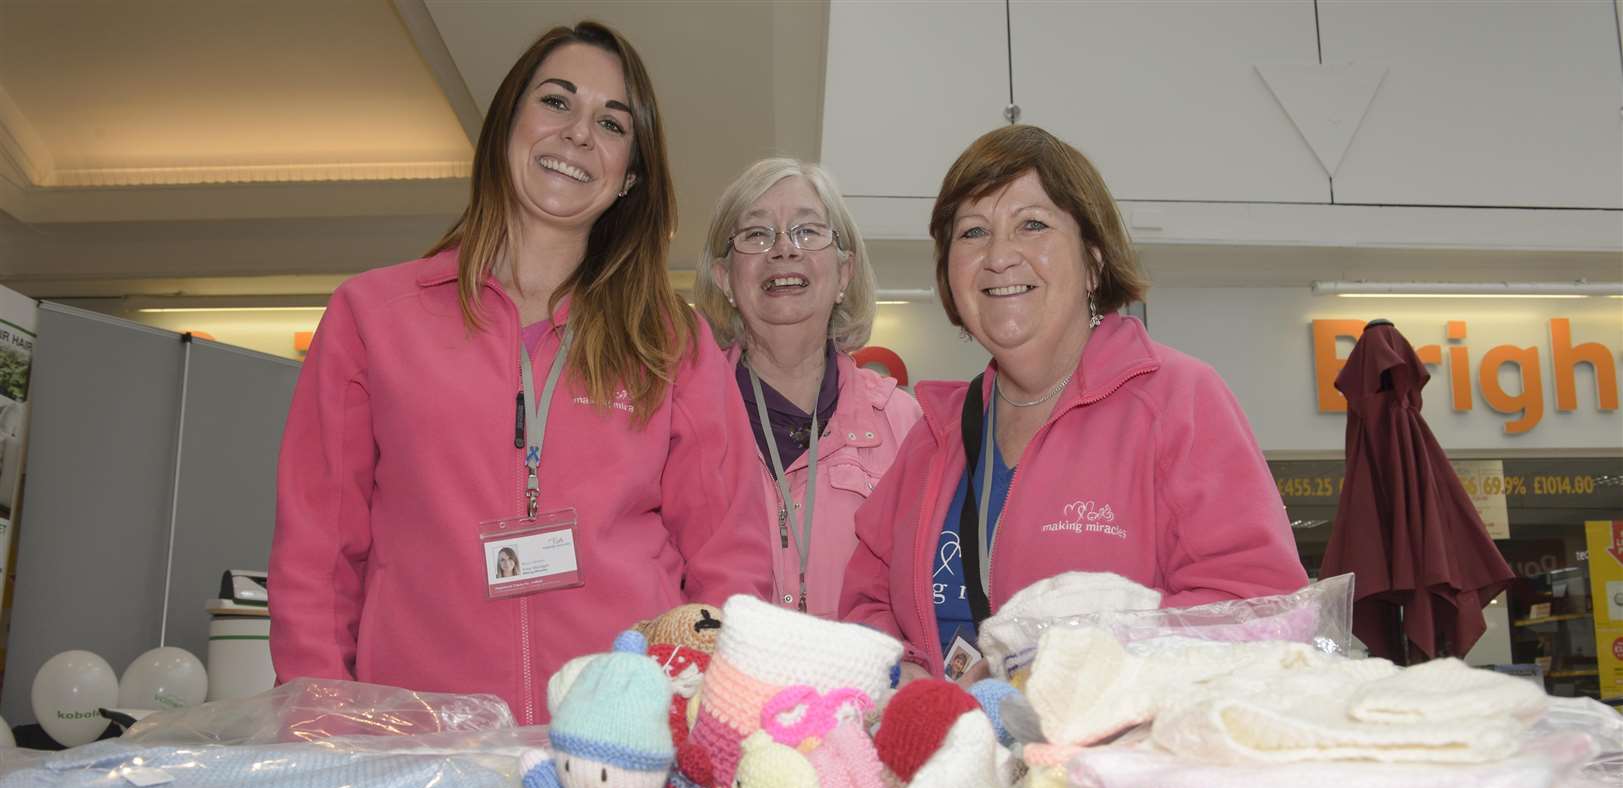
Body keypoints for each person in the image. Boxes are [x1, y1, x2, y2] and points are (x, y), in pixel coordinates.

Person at [271, 21, 772, 724]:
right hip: (422, 741)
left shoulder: (672, 340)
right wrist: (323, 724)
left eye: (611, 123)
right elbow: (317, 555)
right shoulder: (372, 317)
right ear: (507, 121)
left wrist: (714, 726)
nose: (577, 135)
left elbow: (728, 564)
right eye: (556, 102)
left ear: (630, 174)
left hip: (623, 747)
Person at [840, 125, 1306, 682]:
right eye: (972, 233)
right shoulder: (934, 434)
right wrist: (901, 674)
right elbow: (867, 600)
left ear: (1093, 261)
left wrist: (1061, 670)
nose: (998, 256)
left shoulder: (1178, 402)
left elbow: (1257, 610)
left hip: (1115, 760)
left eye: (1032, 224)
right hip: (954, 756)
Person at [694, 159, 920, 617]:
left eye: (807, 231)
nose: (783, 250)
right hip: (726, 686)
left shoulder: (904, 423)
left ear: (843, 273)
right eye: (756, 234)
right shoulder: (684, 418)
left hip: (865, 686)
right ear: (725, 280)